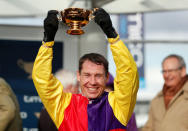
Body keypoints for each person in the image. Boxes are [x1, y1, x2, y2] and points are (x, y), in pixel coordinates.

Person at [32, 8, 139, 131]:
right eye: (87, 75)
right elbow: (42, 79)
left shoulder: (118, 105)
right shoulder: (65, 105)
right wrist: (47, 41)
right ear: (78, 76)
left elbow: (128, 74)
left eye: (98, 75)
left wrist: (112, 35)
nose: (92, 82)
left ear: (107, 77)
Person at [142, 54, 188, 131]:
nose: (167, 75)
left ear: (183, 71)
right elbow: (149, 128)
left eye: (170, 71)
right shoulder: (156, 100)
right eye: (164, 71)